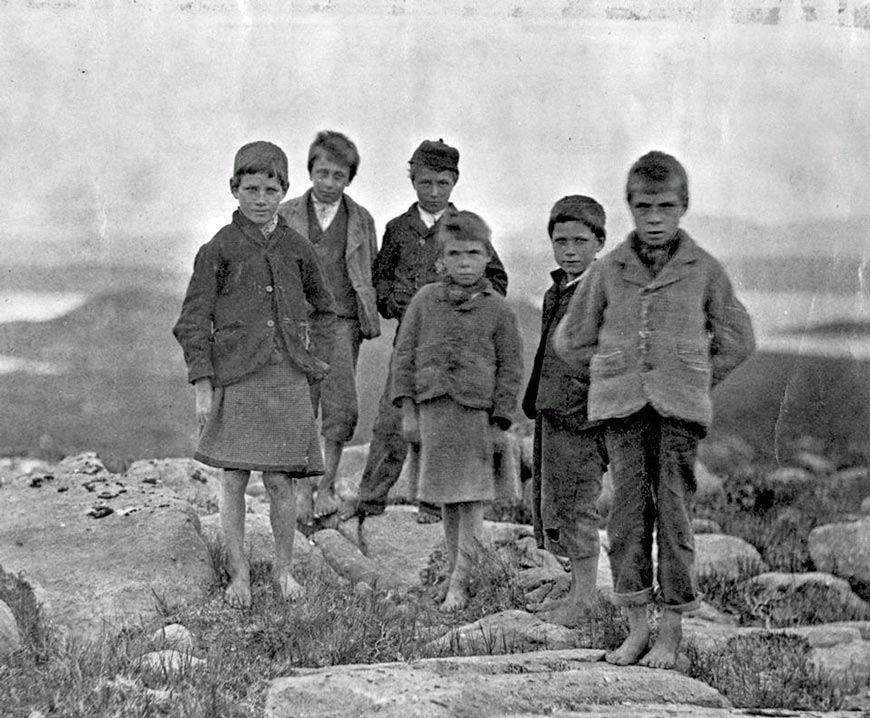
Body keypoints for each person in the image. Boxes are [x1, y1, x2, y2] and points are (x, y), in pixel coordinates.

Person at [554, 151, 755, 668]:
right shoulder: (610, 271)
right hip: (621, 412)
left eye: (666, 206)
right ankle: (637, 629)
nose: (655, 217)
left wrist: (695, 375)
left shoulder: (703, 269)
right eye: (644, 207)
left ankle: (671, 633)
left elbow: (737, 338)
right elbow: (571, 342)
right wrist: (609, 375)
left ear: (683, 206)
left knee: (674, 516)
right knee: (625, 519)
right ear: (630, 207)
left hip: (678, 415)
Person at [173, 141, 335, 608]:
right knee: (234, 479)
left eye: (271, 189)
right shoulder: (218, 249)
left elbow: (325, 309)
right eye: (251, 189)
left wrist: (312, 361)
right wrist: (203, 383)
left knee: (282, 480)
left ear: (285, 190)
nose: (260, 198)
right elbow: (191, 321)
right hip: (237, 378)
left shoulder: (298, 248)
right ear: (234, 189)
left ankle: (284, 573)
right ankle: (239, 577)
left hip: (286, 377)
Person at [355, 139, 509, 525]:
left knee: (443, 422)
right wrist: (395, 304)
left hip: (457, 349)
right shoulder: (398, 230)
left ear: (454, 182)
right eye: (426, 182)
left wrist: (470, 308)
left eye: (443, 183)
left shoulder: (465, 228)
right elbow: (380, 281)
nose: (434, 191)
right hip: (410, 344)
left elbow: (497, 279)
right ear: (413, 181)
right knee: (392, 420)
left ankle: (433, 503)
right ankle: (371, 499)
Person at [391, 210, 523, 610]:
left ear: (487, 257)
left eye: (473, 253)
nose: (464, 262)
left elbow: (511, 368)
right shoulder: (424, 301)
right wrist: (408, 411)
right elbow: (404, 357)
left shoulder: (498, 310)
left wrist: (500, 421)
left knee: (470, 501)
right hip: (435, 414)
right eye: (455, 254)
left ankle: (464, 581)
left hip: (475, 417)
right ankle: (454, 570)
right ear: (440, 260)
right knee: (447, 499)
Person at [278, 130, 380, 526]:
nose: (329, 183)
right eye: (322, 173)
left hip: (340, 323)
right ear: (310, 171)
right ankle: (299, 488)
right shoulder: (285, 214)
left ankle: (326, 485)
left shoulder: (361, 221)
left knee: (340, 405)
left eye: (338, 176)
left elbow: (365, 271)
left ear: (349, 179)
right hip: (294, 324)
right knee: (300, 402)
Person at [521, 195, 609, 627]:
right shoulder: (557, 289)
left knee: (578, 506)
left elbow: (607, 359)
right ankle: (575, 590)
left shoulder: (602, 293)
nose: (569, 249)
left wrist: (582, 402)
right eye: (560, 240)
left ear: (600, 243)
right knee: (556, 504)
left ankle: (586, 598)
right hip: (552, 413)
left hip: (582, 419)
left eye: (580, 240)